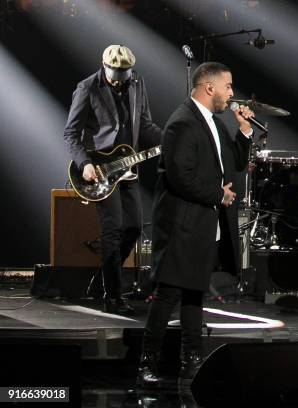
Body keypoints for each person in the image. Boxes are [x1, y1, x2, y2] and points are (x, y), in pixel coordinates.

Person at [137, 62, 253, 387]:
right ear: (209, 87)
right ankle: (147, 362)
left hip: (202, 225)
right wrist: (218, 195)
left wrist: (244, 131)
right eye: (228, 86)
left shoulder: (213, 124)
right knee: (168, 293)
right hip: (181, 224)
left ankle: (192, 361)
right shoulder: (182, 123)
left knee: (194, 295)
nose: (232, 94)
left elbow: (236, 163)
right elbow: (179, 177)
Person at [63, 44, 162, 315]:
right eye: (115, 72)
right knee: (113, 229)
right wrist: (84, 164)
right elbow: (71, 134)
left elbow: (145, 123)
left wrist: (171, 140)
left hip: (128, 167)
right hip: (99, 172)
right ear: (103, 65)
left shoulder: (137, 84)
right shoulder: (87, 88)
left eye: (125, 72)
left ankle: (102, 282)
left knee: (133, 227)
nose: (120, 78)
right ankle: (113, 295)